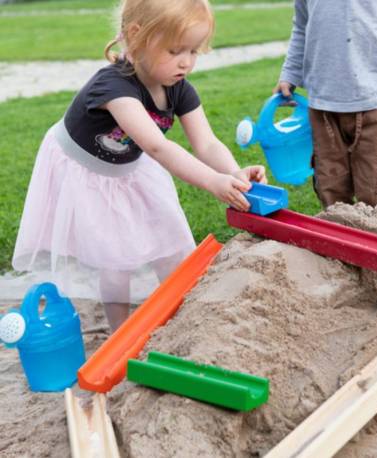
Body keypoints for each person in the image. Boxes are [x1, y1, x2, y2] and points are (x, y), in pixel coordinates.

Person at [13, 0, 266, 332]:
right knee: (114, 255)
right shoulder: (112, 87)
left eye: (193, 51)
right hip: (87, 171)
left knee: (169, 231)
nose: (187, 62)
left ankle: (182, 310)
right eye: (176, 50)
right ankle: (121, 329)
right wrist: (212, 183)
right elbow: (157, 145)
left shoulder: (179, 89)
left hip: (128, 165)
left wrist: (232, 173)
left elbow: (206, 143)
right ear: (137, 37)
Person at [274, 0, 377, 216]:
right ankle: (340, 243)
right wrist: (290, 72)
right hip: (323, 107)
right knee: (331, 187)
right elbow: (302, 26)